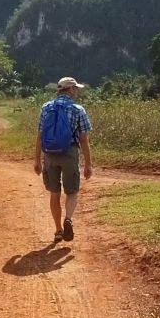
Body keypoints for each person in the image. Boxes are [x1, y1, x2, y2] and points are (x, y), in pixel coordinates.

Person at [33, 77, 93, 242]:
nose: (77, 92)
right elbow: (83, 139)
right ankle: (68, 219)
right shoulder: (77, 109)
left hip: (50, 154)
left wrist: (37, 160)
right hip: (69, 152)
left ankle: (58, 229)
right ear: (71, 89)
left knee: (54, 193)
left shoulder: (46, 107)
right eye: (76, 89)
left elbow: (40, 136)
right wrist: (88, 163)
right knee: (72, 191)